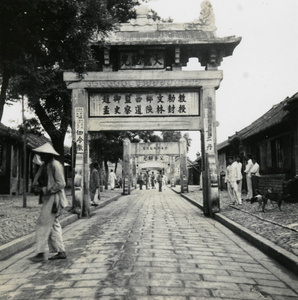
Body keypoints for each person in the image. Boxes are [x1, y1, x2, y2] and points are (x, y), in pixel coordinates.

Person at [29, 143, 68, 262]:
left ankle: (41, 252)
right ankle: (60, 250)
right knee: (53, 224)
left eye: (42, 154)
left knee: (42, 224)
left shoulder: (56, 165)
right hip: (48, 199)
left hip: (54, 198)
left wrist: (45, 189)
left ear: (48, 154)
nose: (40, 156)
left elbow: (61, 183)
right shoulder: (45, 166)